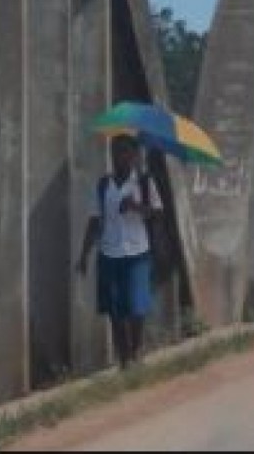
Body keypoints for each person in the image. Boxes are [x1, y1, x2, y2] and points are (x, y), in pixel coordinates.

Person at [77, 134, 163, 371]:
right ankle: (124, 359)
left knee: (136, 307)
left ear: (135, 156)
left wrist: (135, 206)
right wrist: (84, 253)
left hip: (137, 252)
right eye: (116, 151)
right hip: (110, 252)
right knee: (115, 310)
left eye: (126, 152)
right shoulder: (104, 184)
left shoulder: (145, 183)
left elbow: (157, 214)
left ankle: (136, 350)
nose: (120, 157)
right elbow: (95, 219)